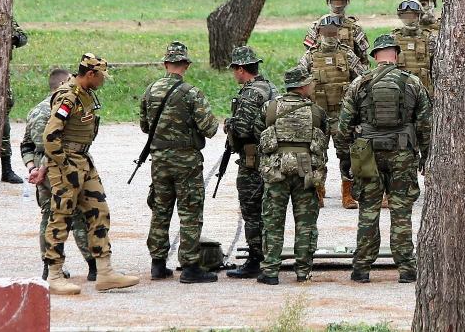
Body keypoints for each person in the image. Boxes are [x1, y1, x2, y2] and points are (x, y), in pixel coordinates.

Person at [37, 54, 139, 295]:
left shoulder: (85, 93)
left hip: (84, 160)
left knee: (99, 211)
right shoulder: (68, 97)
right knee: (61, 216)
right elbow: (50, 137)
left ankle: (105, 272)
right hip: (67, 163)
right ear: (90, 74)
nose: (103, 80)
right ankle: (54, 275)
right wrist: (65, 165)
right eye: (101, 76)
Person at [338, 34, 432, 283]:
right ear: (396, 55)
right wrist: (426, 155)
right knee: (401, 211)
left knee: (368, 211)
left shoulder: (360, 83)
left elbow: (344, 126)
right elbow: (425, 124)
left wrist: (345, 158)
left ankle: (361, 268)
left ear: (375, 56)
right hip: (403, 154)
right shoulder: (412, 82)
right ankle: (406, 268)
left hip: (367, 155)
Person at [141, 42, 220, 283]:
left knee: (160, 210)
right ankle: (190, 266)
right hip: (186, 162)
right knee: (190, 212)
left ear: (166, 64)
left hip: (159, 161)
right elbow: (210, 129)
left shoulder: (150, 91)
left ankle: (157, 264)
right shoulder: (192, 93)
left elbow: (145, 126)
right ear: (185, 65)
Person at [255, 66, 330, 284]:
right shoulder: (316, 111)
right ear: (303, 85)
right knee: (306, 223)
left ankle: (270, 271)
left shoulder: (270, 108)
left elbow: (258, 132)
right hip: (305, 170)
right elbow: (324, 138)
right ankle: (303, 270)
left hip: (275, 169)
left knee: (272, 221)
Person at [21, 68, 95, 282]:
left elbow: (26, 145)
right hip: (61, 167)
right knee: (78, 215)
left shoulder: (35, 111)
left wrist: (33, 168)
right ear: (63, 85)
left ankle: (49, 266)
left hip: (41, 172)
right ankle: (93, 266)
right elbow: (56, 145)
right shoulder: (64, 108)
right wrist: (44, 167)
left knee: (49, 216)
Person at [299, 14, 366, 209]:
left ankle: (348, 194)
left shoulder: (347, 54)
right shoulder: (310, 56)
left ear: (338, 33)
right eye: (326, 32)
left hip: (341, 115)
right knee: (316, 154)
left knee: (346, 154)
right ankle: (317, 192)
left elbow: (362, 77)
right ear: (319, 33)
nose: (330, 35)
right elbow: (298, 82)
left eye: (333, 32)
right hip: (317, 114)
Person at [224, 46, 278, 279]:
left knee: (252, 210)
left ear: (241, 69)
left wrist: (229, 125)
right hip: (272, 157)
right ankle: (270, 255)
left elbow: (243, 129)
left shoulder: (250, 94)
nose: (234, 74)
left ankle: (256, 259)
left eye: (234, 69)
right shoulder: (271, 88)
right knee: (269, 210)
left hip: (252, 160)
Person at [304, 0, 370, 64]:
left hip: (348, 69)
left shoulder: (354, 28)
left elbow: (363, 57)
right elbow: (308, 53)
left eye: (341, 1)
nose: (338, 4)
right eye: (335, 0)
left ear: (347, 2)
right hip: (320, 68)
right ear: (328, 1)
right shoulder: (318, 25)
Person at [391, 0, 437, 96]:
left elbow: (437, 69)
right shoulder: (393, 38)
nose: (409, 20)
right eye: (406, 17)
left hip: (424, 92)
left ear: (420, 16)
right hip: (400, 92)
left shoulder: (430, 38)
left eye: (413, 16)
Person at [1, 19, 28, 183]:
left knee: (3, 123)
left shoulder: (1, 16)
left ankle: (6, 169)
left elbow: (23, 37)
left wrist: (11, 38)